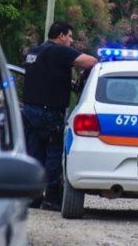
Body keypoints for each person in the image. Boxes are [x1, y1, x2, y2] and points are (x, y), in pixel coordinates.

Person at [21, 21, 98, 211]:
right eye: (70, 36)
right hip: (49, 113)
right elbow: (91, 62)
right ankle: (52, 198)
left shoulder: (34, 51)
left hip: (30, 110)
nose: (71, 41)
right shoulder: (59, 51)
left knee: (34, 154)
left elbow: (46, 76)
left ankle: (33, 197)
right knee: (54, 154)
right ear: (61, 36)